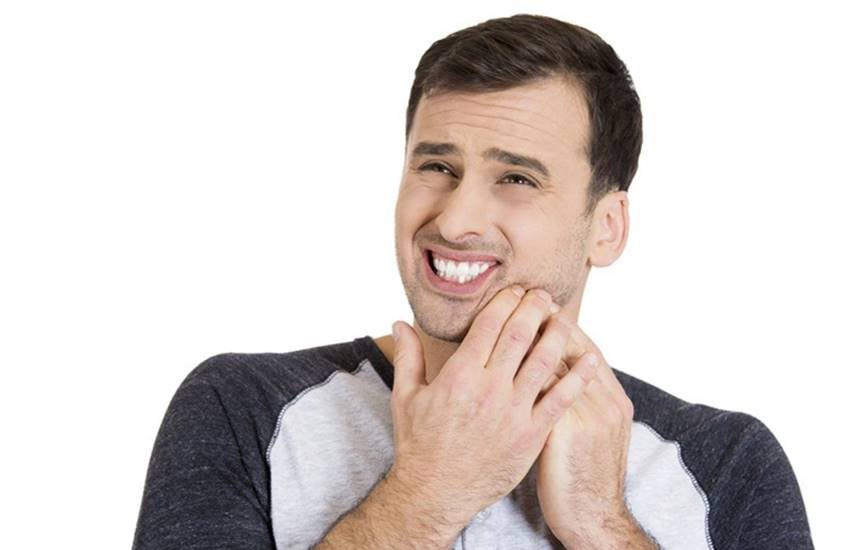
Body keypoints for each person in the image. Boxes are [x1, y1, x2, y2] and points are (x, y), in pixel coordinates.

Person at [132, 13, 813, 550]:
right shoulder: (241, 409)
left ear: (607, 227)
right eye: (436, 167)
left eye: (517, 177)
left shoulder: (729, 464)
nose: (455, 220)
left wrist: (602, 524)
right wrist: (427, 495)